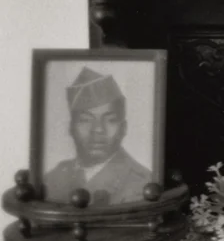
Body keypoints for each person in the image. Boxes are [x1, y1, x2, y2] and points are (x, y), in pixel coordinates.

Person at [42, 67, 153, 207]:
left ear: (123, 128)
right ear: (71, 127)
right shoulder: (55, 177)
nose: (98, 129)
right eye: (86, 119)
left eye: (109, 120)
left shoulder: (142, 185)